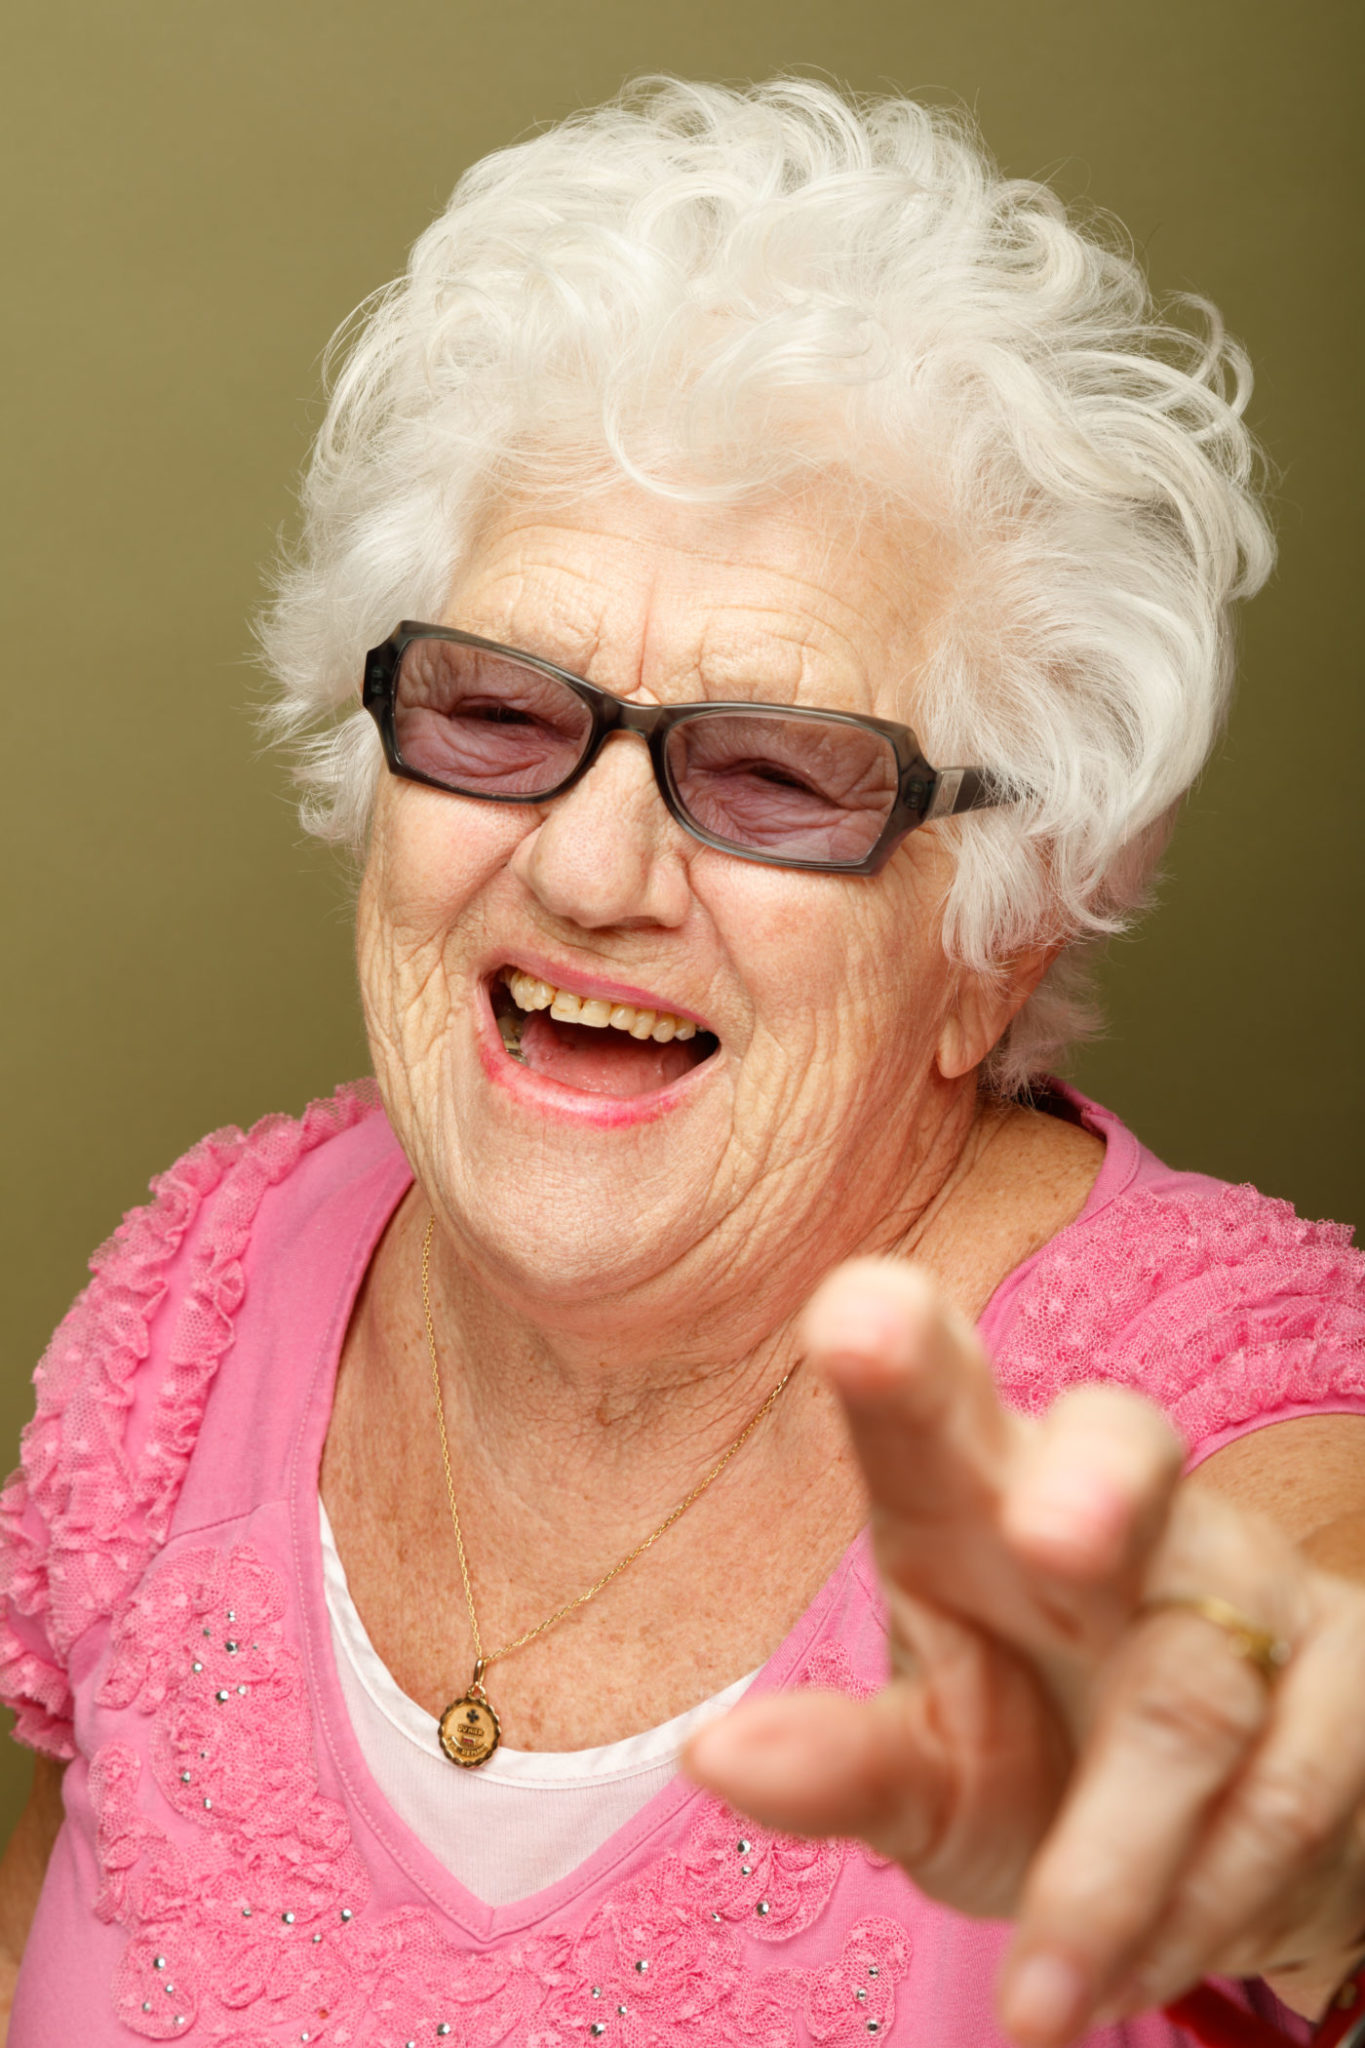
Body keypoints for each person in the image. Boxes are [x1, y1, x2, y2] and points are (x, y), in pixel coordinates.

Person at [1, 75, 1362, 2048]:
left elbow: (1305, 1629)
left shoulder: (1236, 1395)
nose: (587, 867)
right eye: (496, 713)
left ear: (995, 937)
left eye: (776, 774)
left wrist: (1308, 1828)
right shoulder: (201, 1301)